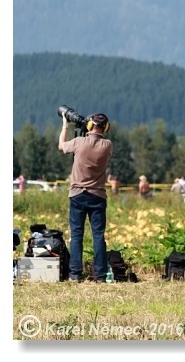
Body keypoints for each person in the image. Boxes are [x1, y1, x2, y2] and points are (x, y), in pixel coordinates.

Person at [58, 112, 113, 282]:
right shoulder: (107, 145)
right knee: (98, 236)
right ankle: (100, 276)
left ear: (89, 126)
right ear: (106, 128)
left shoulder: (79, 142)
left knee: (76, 235)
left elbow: (61, 145)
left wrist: (65, 125)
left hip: (77, 194)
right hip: (98, 195)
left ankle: (75, 274)